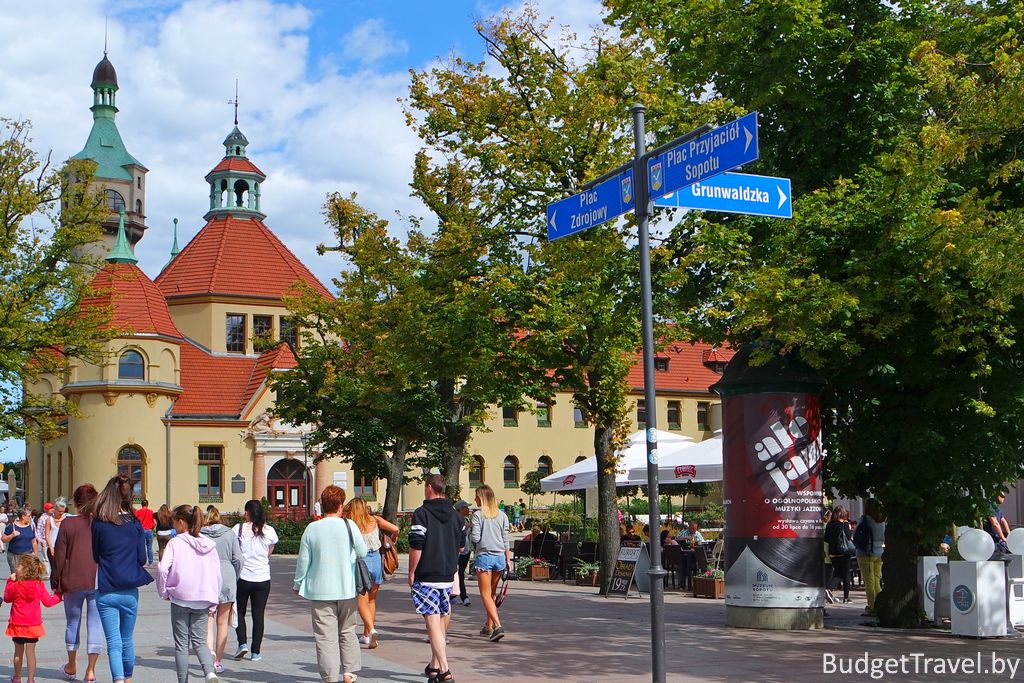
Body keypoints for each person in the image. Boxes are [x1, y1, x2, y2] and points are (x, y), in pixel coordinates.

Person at [293, 485, 367, 683]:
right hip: (347, 587)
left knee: (325, 637)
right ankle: (349, 672)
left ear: (322, 505)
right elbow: (363, 552)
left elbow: (303, 561)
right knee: (348, 630)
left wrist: (297, 582)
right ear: (341, 505)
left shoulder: (312, 528)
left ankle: (329, 677)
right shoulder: (349, 525)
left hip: (320, 590)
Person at [91, 473, 153, 683]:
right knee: (127, 639)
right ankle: (128, 680)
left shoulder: (99, 523)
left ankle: (117, 680)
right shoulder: (134, 524)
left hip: (107, 589)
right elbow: (142, 558)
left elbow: (95, 555)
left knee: (113, 642)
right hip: (129, 590)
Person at [158, 504, 222, 683]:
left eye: (174, 523)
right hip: (203, 599)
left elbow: (163, 568)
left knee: (181, 646)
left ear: (180, 522)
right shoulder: (208, 544)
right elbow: (217, 574)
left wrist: (164, 591)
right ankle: (210, 672)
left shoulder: (176, 543)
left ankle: (183, 680)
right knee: (200, 642)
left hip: (180, 599)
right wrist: (213, 600)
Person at [409, 474, 462, 683]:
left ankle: (445, 670)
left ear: (429, 488)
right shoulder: (457, 516)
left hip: (427, 573)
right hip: (448, 574)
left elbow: (416, 545)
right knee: (441, 616)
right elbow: (462, 546)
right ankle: (434, 664)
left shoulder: (421, 514)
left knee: (432, 619)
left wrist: (412, 571)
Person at [51, 483, 102, 683]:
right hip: (97, 579)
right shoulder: (100, 523)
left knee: (72, 623)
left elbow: (59, 556)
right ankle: (90, 671)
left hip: (71, 580)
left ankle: (71, 666)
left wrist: (56, 581)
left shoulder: (67, 524)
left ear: (76, 503)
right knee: (95, 624)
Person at [344, 497, 399, 649]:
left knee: (362, 600)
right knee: (372, 601)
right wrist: (392, 541)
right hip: (377, 561)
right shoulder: (375, 520)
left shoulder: (352, 523)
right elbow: (395, 529)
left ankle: (371, 630)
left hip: (362, 563)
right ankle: (366, 633)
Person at [232, 499, 278, 662]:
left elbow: (234, 551)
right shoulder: (270, 531)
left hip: (243, 577)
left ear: (247, 512)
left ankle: (242, 643)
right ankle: (256, 652)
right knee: (259, 615)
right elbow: (269, 552)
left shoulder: (238, 529)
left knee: (240, 612)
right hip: (263, 578)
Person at [6, 554, 62, 683]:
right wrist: (59, 595)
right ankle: (31, 680)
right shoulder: (38, 585)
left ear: (24, 569)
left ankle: (17, 678)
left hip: (18, 624)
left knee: (18, 653)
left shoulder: (16, 585)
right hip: (33, 625)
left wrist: (10, 581)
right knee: (31, 653)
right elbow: (48, 602)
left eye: (19, 566)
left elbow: (7, 598)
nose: (16, 567)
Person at [201, 506, 242, 674]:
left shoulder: (200, 534)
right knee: (222, 622)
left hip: (207, 577)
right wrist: (234, 575)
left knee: (208, 620)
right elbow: (238, 558)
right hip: (227, 576)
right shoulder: (230, 533)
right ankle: (218, 661)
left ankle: (209, 655)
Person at [471, 485, 511, 643]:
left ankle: (497, 626)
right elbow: (506, 540)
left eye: (476, 496)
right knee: (492, 594)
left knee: (485, 594)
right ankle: (488, 626)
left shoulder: (478, 515)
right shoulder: (502, 515)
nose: (474, 499)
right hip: (500, 557)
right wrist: (508, 560)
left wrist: (469, 528)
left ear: (481, 498)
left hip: (485, 557)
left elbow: (475, 538)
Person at [856, 498, 886, 617]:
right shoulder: (882, 521)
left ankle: (872, 607)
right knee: (876, 580)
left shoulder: (864, 520)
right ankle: (879, 605)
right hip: (879, 553)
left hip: (865, 553)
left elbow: (856, 535)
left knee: (869, 582)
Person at [824, 505, 854, 604]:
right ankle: (846, 597)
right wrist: (848, 527)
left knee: (837, 573)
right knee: (846, 575)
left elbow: (826, 539)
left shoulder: (829, 525)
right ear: (843, 514)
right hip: (843, 552)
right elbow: (849, 537)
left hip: (833, 553)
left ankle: (828, 588)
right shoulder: (845, 525)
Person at [3, 507, 37, 574]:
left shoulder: (31, 526)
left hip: (28, 556)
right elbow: (3, 539)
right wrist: (11, 535)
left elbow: (34, 541)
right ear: (23, 516)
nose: (31, 517)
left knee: (27, 575)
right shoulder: (12, 526)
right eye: (29, 516)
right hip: (14, 556)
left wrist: (36, 555)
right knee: (16, 575)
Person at [454, 501, 473, 607]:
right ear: (460, 509)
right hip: (457, 551)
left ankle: (458, 595)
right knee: (459, 574)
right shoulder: (455, 519)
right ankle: (463, 597)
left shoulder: (466, 519)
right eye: (466, 507)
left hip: (466, 551)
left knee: (460, 573)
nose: (468, 509)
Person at [44, 497, 68, 565]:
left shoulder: (66, 519)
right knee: (54, 568)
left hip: (63, 547)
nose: (61, 513)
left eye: (63, 511)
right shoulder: (49, 520)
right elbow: (47, 535)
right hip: (53, 547)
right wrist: (51, 547)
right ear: (55, 509)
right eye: (59, 511)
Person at [134, 499, 156, 566]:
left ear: (141, 504)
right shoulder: (151, 512)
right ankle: (150, 561)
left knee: (141, 546)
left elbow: (134, 521)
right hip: (149, 530)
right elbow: (154, 523)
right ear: (147, 504)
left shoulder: (137, 512)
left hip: (141, 530)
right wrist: (152, 527)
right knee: (149, 546)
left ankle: (143, 561)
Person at [34, 501, 52, 576]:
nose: (52, 510)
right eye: (50, 509)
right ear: (46, 510)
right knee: (46, 557)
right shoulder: (42, 518)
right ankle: (47, 573)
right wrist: (40, 540)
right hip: (45, 540)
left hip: (53, 539)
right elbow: (38, 531)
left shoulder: (54, 517)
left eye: (52, 508)